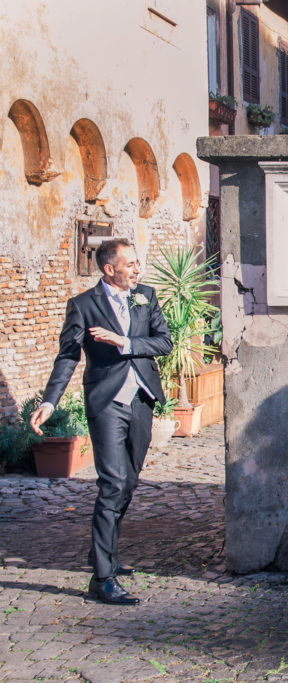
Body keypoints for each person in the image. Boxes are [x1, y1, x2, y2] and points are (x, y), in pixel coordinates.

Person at [30, 238, 172, 605]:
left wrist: (123, 341)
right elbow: (67, 357)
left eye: (137, 263)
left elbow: (164, 342)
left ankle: (101, 552)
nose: (137, 269)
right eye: (131, 264)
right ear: (110, 269)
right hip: (106, 401)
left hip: (140, 398)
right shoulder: (83, 305)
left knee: (130, 480)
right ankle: (102, 578)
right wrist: (50, 401)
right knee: (112, 482)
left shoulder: (147, 296)